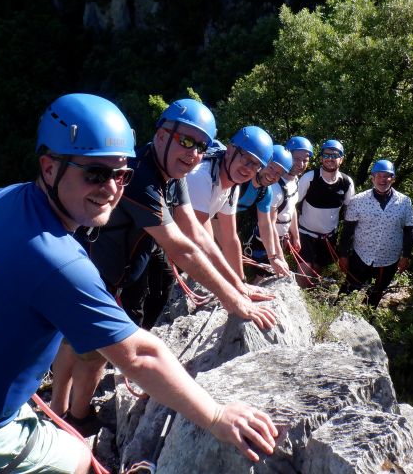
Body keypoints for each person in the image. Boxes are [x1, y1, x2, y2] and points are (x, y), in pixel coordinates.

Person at [0, 93, 278, 474]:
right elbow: (140, 356)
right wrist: (216, 416)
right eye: (95, 173)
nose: (111, 188)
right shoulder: (59, 261)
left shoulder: (8, 199)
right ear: (50, 168)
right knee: (79, 458)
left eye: (121, 172)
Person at [49, 99, 277, 433]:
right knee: (94, 353)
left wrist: (238, 286)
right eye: (186, 140)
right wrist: (231, 299)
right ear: (160, 135)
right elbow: (181, 247)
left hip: (103, 271)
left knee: (74, 340)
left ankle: (59, 410)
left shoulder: (171, 174)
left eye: (200, 146)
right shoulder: (140, 177)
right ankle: (77, 418)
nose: (193, 153)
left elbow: (199, 235)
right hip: (95, 276)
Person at [185, 125, 274, 281]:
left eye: (256, 165)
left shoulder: (233, 184)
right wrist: (235, 286)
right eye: (246, 158)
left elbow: (230, 238)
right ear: (230, 150)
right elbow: (203, 238)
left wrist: (241, 280)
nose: (248, 169)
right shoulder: (201, 176)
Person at [338, 159, 413, 307]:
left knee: (375, 295)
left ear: (393, 179)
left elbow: (409, 230)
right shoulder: (358, 200)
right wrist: (343, 255)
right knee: (347, 291)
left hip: (389, 260)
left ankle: (366, 322)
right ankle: (333, 318)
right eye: (379, 175)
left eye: (387, 176)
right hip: (361, 256)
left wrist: (406, 256)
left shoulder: (404, 202)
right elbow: (347, 231)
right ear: (372, 178)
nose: (383, 179)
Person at [295, 139, 355, 287]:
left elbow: (351, 213)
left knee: (315, 273)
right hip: (305, 234)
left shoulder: (346, 183)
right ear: (321, 157)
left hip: (328, 238)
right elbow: (292, 203)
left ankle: (308, 304)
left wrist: (345, 246)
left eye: (335, 156)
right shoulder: (310, 178)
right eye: (326, 155)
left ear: (341, 159)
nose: (330, 159)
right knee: (304, 272)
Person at [237, 144, 294, 278]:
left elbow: (265, 225)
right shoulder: (240, 181)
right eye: (271, 167)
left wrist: (273, 257)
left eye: (278, 173)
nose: (273, 175)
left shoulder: (265, 192)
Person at [277, 136, 314, 254]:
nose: (301, 164)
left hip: (280, 239)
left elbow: (291, 208)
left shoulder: (296, 180)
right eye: (296, 158)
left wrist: (296, 236)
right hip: (264, 240)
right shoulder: (274, 183)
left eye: (305, 160)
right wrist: (277, 255)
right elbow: (267, 222)